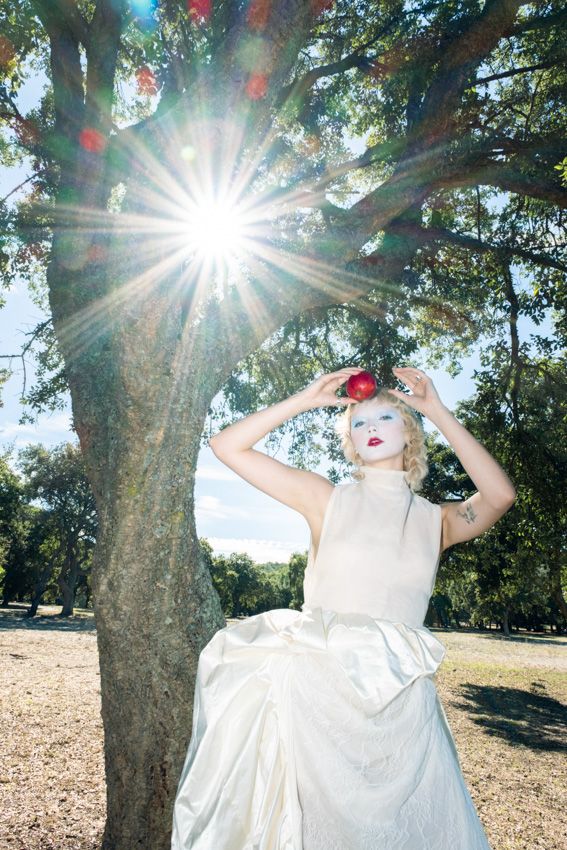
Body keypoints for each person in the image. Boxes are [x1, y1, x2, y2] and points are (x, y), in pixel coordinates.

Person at [172, 366, 515, 850]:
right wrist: (304, 399)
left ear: (410, 433)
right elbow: (226, 446)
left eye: (385, 417)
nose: (370, 427)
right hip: (316, 703)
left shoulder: (436, 521)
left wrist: (437, 410)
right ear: (350, 441)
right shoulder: (324, 499)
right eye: (359, 422)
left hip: (401, 715)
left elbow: (500, 495)